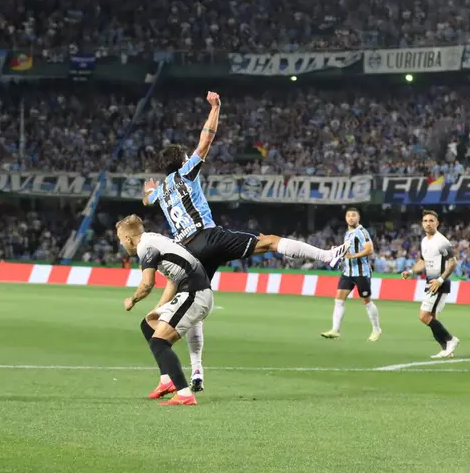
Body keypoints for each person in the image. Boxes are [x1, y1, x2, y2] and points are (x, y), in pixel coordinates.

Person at [141, 91, 350, 390]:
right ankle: (327, 256)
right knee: (268, 241)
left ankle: (197, 372)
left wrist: (148, 189)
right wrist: (216, 108)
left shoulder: (161, 191)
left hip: (187, 252)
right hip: (207, 236)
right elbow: (206, 140)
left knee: (194, 305)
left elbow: (147, 200)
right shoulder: (186, 173)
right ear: (182, 161)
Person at [116, 214, 213, 406]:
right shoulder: (154, 240)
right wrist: (158, 309)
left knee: (159, 342)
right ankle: (166, 381)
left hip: (195, 294)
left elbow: (147, 284)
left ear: (128, 238)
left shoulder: (146, 247)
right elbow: (172, 281)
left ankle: (185, 394)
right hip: (190, 292)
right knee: (148, 324)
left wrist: (132, 300)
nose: (121, 244)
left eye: (120, 240)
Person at [401, 210, 460, 359]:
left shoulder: (442, 241)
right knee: (432, 317)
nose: (428, 223)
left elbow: (453, 263)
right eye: (425, 221)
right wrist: (411, 271)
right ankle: (445, 348)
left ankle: (450, 339)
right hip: (431, 283)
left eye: (431, 221)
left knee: (423, 316)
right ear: (422, 223)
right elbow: (422, 262)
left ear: (437, 223)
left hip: (439, 284)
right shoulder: (424, 241)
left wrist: (440, 280)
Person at [321, 207, 381, 341]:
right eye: (348, 216)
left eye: (353, 215)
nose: (351, 218)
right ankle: (335, 329)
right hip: (347, 272)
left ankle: (376, 329)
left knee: (366, 301)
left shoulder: (362, 232)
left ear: (358, 218)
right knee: (338, 299)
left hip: (361, 273)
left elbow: (369, 249)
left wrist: (353, 256)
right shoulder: (347, 233)